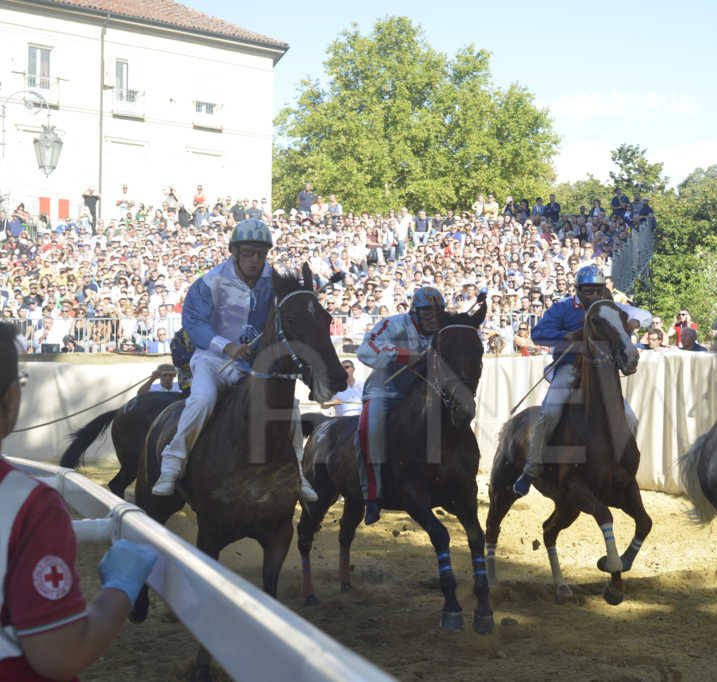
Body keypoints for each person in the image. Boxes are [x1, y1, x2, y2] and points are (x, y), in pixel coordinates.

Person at [0, 322, 159, 681]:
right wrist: (120, 586)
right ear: (12, 399)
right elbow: (61, 655)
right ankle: (173, 463)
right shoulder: (32, 506)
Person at [151, 219, 317, 502]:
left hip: (254, 367)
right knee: (202, 400)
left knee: (290, 408)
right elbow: (193, 323)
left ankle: (298, 474)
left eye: (261, 254)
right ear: (234, 252)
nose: (255, 260)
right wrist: (226, 346)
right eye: (249, 253)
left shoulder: (273, 282)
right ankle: (172, 463)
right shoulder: (209, 282)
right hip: (212, 361)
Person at [513, 265, 651, 496]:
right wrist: (565, 336)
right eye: (588, 290)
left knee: (630, 418)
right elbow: (538, 333)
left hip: (602, 373)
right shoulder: (562, 307)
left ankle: (621, 465)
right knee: (549, 413)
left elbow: (645, 315)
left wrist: (633, 323)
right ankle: (531, 468)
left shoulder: (610, 307)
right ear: (577, 290)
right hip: (571, 367)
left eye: (598, 289)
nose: (593, 295)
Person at [356, 286, 447, 525]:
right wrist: (403, 355)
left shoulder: (443, 332)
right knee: (369, 431)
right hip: (384, 391)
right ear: (414, 311)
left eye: (437, 312)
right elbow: (366, 349)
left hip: (420, 394)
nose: (432, 317)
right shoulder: (394, 324)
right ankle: (372, 496)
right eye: (426, 311)